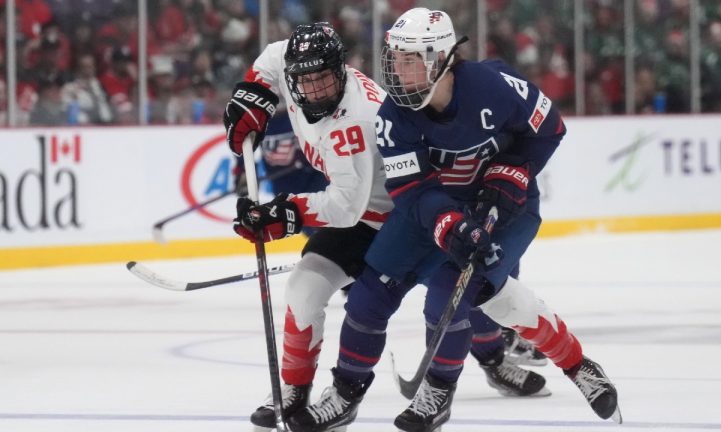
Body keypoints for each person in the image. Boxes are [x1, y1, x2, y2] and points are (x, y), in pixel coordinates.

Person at [287, 8, 621, 432]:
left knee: (451, 296)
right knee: (370, 296)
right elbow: (412, 189)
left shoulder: (494, 86)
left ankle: (441, 393)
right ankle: (345, 394)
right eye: (395, 58)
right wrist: (448, 223)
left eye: (410, 60)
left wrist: (513, 170)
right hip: (429, 212)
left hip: (504, 210)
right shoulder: (393, 116)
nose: (398, 71)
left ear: (442, 58)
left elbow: (548, 127)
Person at [224, 22, 550, 430]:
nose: (315, 89)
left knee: (461, 297)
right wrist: (251, 92)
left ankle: (495, 359)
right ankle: (294, 390)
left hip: (406, 216)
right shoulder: (295, 67)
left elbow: (344, 206)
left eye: (323, 78)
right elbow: (272, 58)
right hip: (363, 216)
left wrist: (284, 212)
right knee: (304, 289)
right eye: (304, 80)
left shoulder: (357, 122)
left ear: (340, 69)